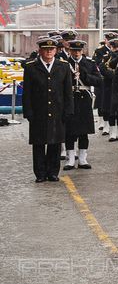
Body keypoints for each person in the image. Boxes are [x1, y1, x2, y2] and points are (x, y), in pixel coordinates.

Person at [23, 36, 73, 182]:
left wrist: (68, 110)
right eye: (46, 49)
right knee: (39, 143)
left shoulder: (63, 66)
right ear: (40, 51)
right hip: (38, 111)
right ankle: (40, 173)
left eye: (51, 49)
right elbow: (27, 93)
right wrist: (28, 112)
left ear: (56, 50)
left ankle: (52, 172)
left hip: (58, 110)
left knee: (55, 143)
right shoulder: (31, 67)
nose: (49, 52)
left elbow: (67, 91)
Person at [63, 39, 100, 170]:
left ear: (82, 51)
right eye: (74, 50)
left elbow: (99, 80)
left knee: (84, 130)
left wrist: (84, 75)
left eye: (79, 50)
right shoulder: (64, 64)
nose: (76, 53)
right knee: (70, 130)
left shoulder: (89, 63)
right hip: (70, 99)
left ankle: (83, 158)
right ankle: (70, 158)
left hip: (84, 98)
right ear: (70, 51)